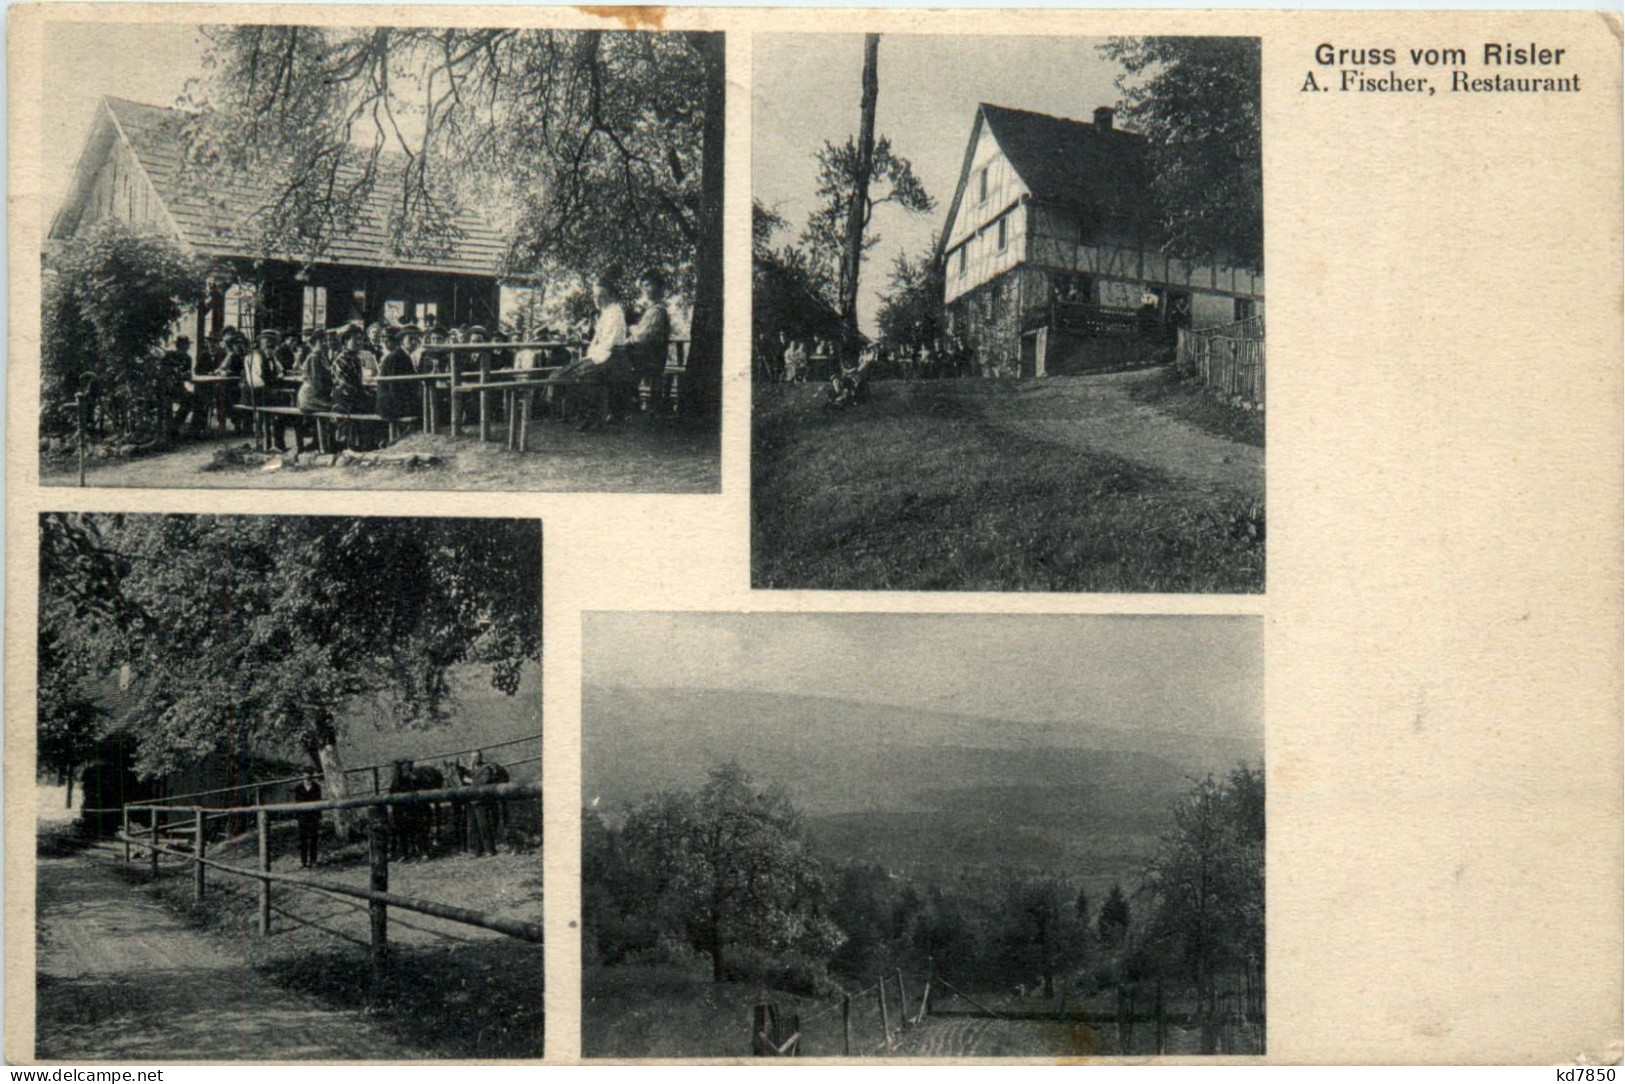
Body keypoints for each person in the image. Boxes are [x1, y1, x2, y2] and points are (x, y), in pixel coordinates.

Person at [546, 276, 629, 430]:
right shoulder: (606, 312)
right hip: (603, 355)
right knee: (563, 374)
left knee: (580, 374)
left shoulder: (615, 313)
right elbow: (596, 342)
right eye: (595, 296)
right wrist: (589, 356)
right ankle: (581, 415)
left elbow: (608, 344)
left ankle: (590, 417)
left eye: (602, 296)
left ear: (611, 296)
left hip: (612, 357)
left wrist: (590, 359)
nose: (597, 300)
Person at [628, 270, 672, 416]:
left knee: (621, 363)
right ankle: (633, 403)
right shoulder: (652, 310)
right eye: (643, 286)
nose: (645, 289)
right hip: (650, 355)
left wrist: (632, 333)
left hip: (651, 357)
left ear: (658, 288)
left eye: (649, 285)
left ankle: (631, 404)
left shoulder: (657, 311)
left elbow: (644, 336)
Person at [468, 750, 508, 858]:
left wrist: (469, 781)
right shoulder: (471, 770)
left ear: (481, 757)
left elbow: (484, 781)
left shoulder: (486, 768)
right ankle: (477, 851)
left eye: (476, 757)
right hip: (472, 801)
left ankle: (490, 850)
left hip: (482, 801)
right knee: (473, 827)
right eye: (472, 757)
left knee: (484, 826)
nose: (474, 759)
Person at [375, 324, 419, 422]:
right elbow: (394, 386)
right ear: (402, 340)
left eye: (416, 339)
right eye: (410, 339)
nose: (414, 342)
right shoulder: (396, 357)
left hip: (396, 401)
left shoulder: (405, 356)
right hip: (390, 405)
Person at [293, 771, 322, 868]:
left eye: (309, 775)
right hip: (303, 817)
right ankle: (303, 861)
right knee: (303, 839)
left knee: (314, 838)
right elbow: (297, 802)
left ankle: (313, 860)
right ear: (302, 776)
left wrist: (318, 815)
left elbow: (319, 801)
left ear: (312, 776)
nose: (307, 777)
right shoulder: (298, 788)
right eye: (304, 775)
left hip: (313, 816)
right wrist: (298, 816)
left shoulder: (316, 787)